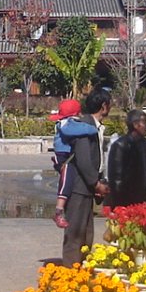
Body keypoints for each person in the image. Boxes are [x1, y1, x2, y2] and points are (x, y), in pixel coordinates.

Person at [61, 90, 112, 267]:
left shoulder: (93, 126)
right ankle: (68, 274)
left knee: (86, 233)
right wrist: (95, 183)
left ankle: (80, 271)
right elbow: (83, 159)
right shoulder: (84, 126)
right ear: (104, 106)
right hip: (78, 187)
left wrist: (99, 181)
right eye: (110, 104)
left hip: (86, 188)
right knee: (75, 233)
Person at [49, 99, 99, 229]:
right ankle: (58, 211)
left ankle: (63, 209)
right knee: (66, 183)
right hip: (64, 158)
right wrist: (93, 128)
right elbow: (75, 130)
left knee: (69, 182)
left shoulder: (64, 122)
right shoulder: (67, 124)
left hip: (66, 157)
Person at [106, 109, 146, 211]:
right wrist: (118, 205)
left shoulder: (144, 144)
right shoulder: (120, 145)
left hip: (141, 196)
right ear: (135, 125)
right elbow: (116, 178)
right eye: (145, 123)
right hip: (125, 199)